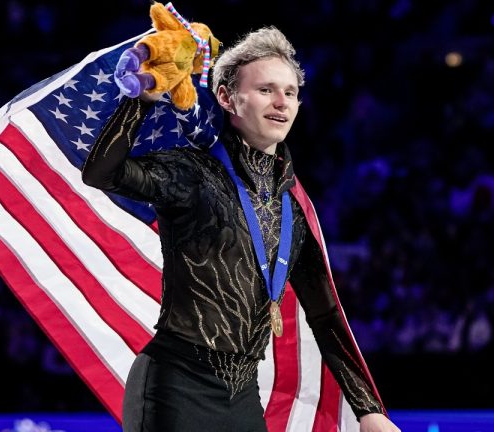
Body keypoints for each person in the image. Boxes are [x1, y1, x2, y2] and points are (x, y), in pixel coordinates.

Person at [82, 26, 400, 432]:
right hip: (175, 388)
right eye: (267, 89)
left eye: (290, 92)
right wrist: (142, 99)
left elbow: (325, 315)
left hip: (244, 398)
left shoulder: (294, 210)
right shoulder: (191, 171)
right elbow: (102, 173)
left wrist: (367, 408)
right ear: (227, 97)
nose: (282, 102)